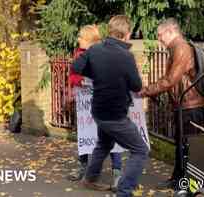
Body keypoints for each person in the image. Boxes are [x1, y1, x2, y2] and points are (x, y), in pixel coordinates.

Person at [71, 15, 149, 196]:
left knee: (103, 144)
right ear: (126, 34)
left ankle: (89, 179)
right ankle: (124, 190)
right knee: (140, 149)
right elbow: (136, 86)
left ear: (110, 31)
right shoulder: (126, 56)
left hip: (98, 112)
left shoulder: (94, 49)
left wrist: (97, 73)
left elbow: (75, 67)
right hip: (115, 115)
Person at [139, 18, 204, 189]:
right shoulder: (175, 48)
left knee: (188, 147)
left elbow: (170, 80)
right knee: (181, 144)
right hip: (184, 105)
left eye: (160, 35)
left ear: (170, 31)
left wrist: (147, 91)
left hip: (190, 106)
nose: (159, 39)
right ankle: (177, 178)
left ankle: (185, 184)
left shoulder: (181, 48)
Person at [66, 25, 122, 190]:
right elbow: (73, 76)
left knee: (111, 135)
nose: (78, 39)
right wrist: (82, 81)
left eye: (80, 37)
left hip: (104, 101)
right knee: (84, 133)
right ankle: (83, 167)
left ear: (89, 39)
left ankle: (117, 172)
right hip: (85, 102)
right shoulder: (79, 53)